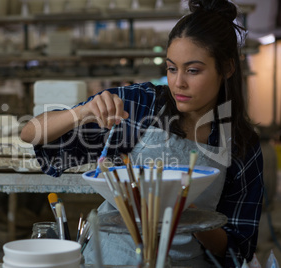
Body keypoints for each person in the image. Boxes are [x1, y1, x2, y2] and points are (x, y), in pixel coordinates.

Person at [21, 0, 264, 266]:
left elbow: (236, 249)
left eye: (193, 70)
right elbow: (31, 133)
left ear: (227, 68)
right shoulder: (140, 105)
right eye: (172, 68)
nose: (178, 82)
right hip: (111, 258)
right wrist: (83, 112)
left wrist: (189, 215)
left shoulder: (241, 144)